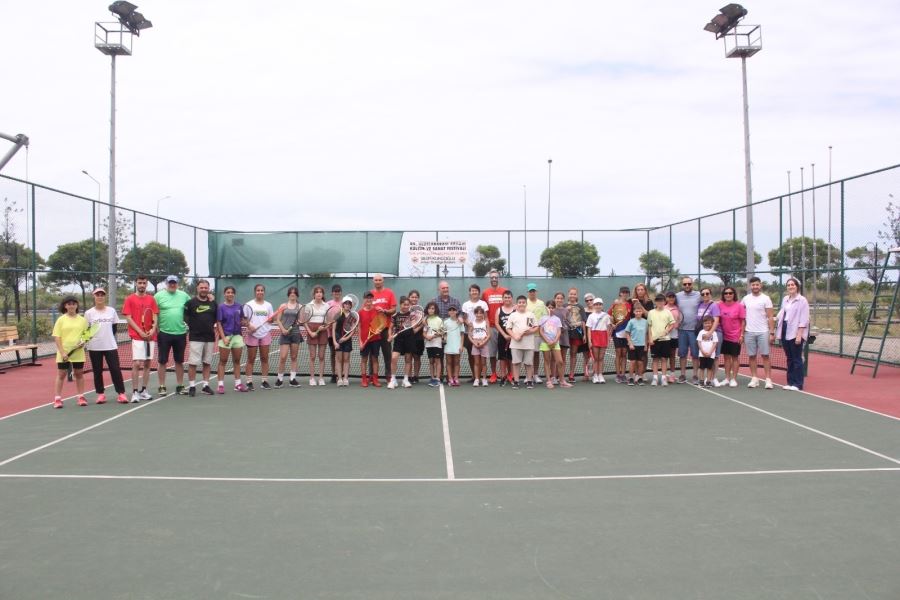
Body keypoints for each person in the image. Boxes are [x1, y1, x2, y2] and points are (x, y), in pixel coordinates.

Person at [121, 274, 157, 402]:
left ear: (147, 284)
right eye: (140, 283)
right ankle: (135, 392)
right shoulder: (129, 299)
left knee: (147, 363)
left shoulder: (151, 299)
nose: (142, 285)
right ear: (136, 283)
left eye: (144, 283)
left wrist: (152, 329)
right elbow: (128, 318)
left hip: (150, 337)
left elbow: (155, 315)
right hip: (137, 337)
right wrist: (140, 332)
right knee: (137, 363)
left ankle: (144, 390)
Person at [154, 275, 191, 396]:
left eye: (174, 283)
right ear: (166, 283)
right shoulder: (158, 296)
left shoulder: (184, 295)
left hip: (180, 333)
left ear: (177, 284)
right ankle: (162, 386)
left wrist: (210, 297)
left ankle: (180, 386)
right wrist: (157, 328)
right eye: (170, 282)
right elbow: (153, 313)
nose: (172, 284)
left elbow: (193, 307)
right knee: (162, 361)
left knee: (179, 361)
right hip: (164, 334)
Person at [51, 296, 89, 408]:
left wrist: (83, 342)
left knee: (79, 374)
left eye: (73, 303)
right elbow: (57, 337)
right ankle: (57, 399)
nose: (71, 306)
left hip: (78, 352)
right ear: (65, 306)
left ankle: (81, 397)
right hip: (64, 352)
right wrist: (63, 352)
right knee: (61, 374)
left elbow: (86, 335)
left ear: (76, 306)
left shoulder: (82, 320)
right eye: (69, 304)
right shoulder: (61, 320)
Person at [775, 277, 810, 391]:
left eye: (793, 285)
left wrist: (799, 335)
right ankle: (790, 382)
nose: (790, 287)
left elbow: (804, 319)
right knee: (789, 358)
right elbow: (781, 313)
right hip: (785, 329)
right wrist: (773, 319)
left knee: (796, 359)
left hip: (796, 331)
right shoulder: (785, 299)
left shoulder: (802, 300)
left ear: (797, 287)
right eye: (789, 285)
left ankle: (798, 384)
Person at [184, 279, 218, 396]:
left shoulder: (213, 303)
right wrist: (192, 326)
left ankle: (205, 385)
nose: (204, 289)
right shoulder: (190, 303)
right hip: (195, 337)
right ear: (197, 289)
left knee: (207, 363)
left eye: (205, 288)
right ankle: (192, 386)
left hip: (209, 337)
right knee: (193, 363)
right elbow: (185, 317)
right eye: (201, 287)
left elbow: (215, 318)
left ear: (208, 289)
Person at [742, 276, 775, 389]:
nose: (755, 286)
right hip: (749, 332)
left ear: (760, 285)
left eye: (757, 284)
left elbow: (770, 316)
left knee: (765, 356)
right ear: (750, 286)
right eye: (753, 285)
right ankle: (754, 378)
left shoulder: (766, 298)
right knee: (752, 356)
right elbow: (740, 314)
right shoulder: (745, 299)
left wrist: (771, 332)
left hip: (763, 332)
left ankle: (768, 380)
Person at [243, 283, 275, 391]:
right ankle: (249, 382)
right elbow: (244, 319)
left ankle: (264, 381)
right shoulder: (248, 305)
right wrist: (249, 325)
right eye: (258, 290)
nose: (260, 292)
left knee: (265, 358)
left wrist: (271, 320)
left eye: (262, 290)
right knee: (250, 359)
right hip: (253, 335)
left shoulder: (268, 305)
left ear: (264, 292)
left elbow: (271, 319)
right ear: (255, 292)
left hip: (265, 333)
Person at [215, 286, 246, 393]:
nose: (230, 294)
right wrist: (223, 338)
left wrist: (244, 322)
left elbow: (242, 320)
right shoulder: (221, 307)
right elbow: (219, 323)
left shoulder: (239, 306)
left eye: (232, 292)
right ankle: (220, 385)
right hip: (226, 337)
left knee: (237, 361)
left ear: (234, 294)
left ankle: (238, 384)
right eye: (228, 292)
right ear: (224, 294)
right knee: (223, 361)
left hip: (237, 337)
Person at [480, 270, 508, 383]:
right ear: (490, 279)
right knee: (492, 353)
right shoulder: (485, 293)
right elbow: (482, 310)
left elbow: (509, 305)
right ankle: (493, 374)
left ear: (499, 278)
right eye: (492, 277)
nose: (494, 279)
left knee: (504, 353)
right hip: (491, 327)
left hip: (504, 328)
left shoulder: (505, 291)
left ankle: (505, 374)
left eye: (496, 277)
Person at [506, 295, 538, 389]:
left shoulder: (530, 314)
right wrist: (515, 336)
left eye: (523, 302)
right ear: (517, 304)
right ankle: (516, 381)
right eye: (520, 302)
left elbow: (535, 327)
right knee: (516, 363)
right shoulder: (513, 315)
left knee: (528, 363)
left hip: (529, 344)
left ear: (526, 304)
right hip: (516, 344)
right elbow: (508, 328)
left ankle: (529, 381)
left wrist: (530, 331)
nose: (521, 304)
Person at [370, 273, 397, 383]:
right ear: (373, 281)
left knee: (387, 354)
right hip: (374, 329)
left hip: (385, 329)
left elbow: (394, 310)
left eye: (379, 280)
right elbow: (367, 308)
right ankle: (372, 375)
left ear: (383, 281)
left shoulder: (389, 293)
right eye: (376, 280)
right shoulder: (370, 294)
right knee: (373, 354)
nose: (378, 282)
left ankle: (389, 375)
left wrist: (385, 311)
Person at [675, 276, 702, 384]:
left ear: (692, 284)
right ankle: (682, 375)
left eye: (689, 284)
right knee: (682, 354)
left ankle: (695, 375)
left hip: (694, 330)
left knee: (695, 354)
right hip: (681, 330)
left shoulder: (699, 295)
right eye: (685, 284)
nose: (687, 286)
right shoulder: (678, 296)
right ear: (682, 285)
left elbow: (708, 302)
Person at [275, 287, 303, 388]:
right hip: (284, 334)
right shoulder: (283, 305)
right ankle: (279, 379)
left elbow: (301, 320)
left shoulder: (300, 306)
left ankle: (292, 379)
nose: (292, 294)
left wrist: (300, 321)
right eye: (291, 293)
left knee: (294, 357)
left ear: (296, 295)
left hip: (295, 333)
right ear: (288, 294)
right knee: (283, 357)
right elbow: (278, 319)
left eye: (294, 293)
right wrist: (283, 329)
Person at [717, 286, 746, 388]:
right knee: (726, 358)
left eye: (730, 293)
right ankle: (727, 378)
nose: (728, 295)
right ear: (723, 295)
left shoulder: (739, 306)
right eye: (726, 293)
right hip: (724, 336)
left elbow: (743, 322)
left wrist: (742, 335)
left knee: (734, 357)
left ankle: (734, 379)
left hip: (735, 336)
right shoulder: (720, 305)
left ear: (734, 294)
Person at [387, 296, 416, 389]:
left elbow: (414, 327)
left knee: (408, 359)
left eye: (408, 305)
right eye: (404, 304)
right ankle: (393, 380)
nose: (406, 306)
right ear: (400, 305)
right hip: (398, 340)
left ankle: (406, 379)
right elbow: (390, 327)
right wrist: (390, 336)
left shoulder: (412, 315)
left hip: (409, 339)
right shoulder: (395, 316)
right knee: (394, 358)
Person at [539, 300, 569, 389]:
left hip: (555, 343)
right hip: (545, 343)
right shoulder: (543, 318)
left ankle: (562, 381)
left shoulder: (557, 319)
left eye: (552, 307)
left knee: (559, 361)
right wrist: (547, 340)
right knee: (547, 362)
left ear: (554, 308)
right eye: (549, 307)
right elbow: (541, 331)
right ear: (546, 308)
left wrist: (555, 340)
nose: (550, 309)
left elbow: (559, 331)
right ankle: (548, 381)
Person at [647, 294, 676, 387]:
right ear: (655, 302)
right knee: (655, 359)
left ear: (664, 302)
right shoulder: (651, 312)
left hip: (665, 340)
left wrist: (667, 330)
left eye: (662, 301)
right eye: (658, 301)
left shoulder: (668, 312)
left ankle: (663, 378)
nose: (660, 302)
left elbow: (672, 324)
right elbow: (649, 326)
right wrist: (650, 338)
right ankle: (655, 378)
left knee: (664, 359)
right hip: (654, 340)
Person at [461, 284, 488, 382]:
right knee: (471, 356)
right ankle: (474, 376)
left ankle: (481, 377)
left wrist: (486, 330)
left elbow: (486, 318)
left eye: (476, 290)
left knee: (482, 357)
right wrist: (469, 324)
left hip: (482, 335)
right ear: (470, 292)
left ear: (479, 292)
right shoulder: (465, 304)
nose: (474, 292)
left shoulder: (483, 304)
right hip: (469, 334)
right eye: (472, 290)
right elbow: (464, 318)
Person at [304, 285, 330, 386]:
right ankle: (312, 378)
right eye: (317, 292)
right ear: (314, 294)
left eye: (320, 292)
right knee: (312, 356)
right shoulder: (308, 306)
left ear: (322, 294)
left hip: (322, 330)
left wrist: (324, 327)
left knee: (321, 356)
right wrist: (310, 332)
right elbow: (304, 320)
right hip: (311, 329)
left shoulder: (326, 306)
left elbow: (329, 320)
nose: (319, 294)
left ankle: (321, 378)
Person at [696, 287, 722, 384]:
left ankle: (713, 378)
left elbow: (716, 320)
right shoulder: (700, 305)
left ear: (710, 294)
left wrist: (710, 332)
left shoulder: (714, 305)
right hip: (703, 333)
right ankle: (703, 379)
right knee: (703, 357)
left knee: (715, 356)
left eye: (707, 293)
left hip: (714, 332)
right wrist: (704, 333)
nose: (705, 295)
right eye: (703, 294)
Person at [358, 292, 382, 387]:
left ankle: (375, 379)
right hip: (364, 340)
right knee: (364, 359)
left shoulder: (377, 310)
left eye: (370, 298)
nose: (369, 300)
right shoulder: (360, 312)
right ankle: (364, 379)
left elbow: (381, 323)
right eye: (367, 298)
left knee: (375, 359)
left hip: (375, 339)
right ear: (364, 299)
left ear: (373, 299)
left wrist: (379, 329)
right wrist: (360, 341)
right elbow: (359, 327)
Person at [331, 295, 356, 387]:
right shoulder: (338, 314)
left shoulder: (353, 316)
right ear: (343, 304)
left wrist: (346, 338)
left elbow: (353, 330)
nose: (347, 305)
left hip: (347, 340)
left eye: (349, 303)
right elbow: (333, 329)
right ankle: (339, 378)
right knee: (338, 359)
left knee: (346, 359)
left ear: (351, 305)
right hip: (338, 339)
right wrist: (334, 341)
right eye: (346, 303)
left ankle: (345, 378)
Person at [609, 286, 632, 384]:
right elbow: (610, 315)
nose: (625, 293)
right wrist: (612, 324)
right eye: (623, 292)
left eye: (627, 292)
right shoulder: (615, 304)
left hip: (626, 332)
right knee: (618, 353)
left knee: (624, 354)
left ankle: (623, 374)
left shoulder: (630, 304)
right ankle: (618, 375)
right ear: (620, 293)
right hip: (617, 332)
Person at [585, 297, 611, 384]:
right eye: (596, 304)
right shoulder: (591, 316)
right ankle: (595, 375)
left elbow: (608, 328)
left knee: (601, 358)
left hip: (603, 337)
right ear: (594, 305)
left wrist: (608, 339)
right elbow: (589, 329)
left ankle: (600, 374)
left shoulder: (606, 316)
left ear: (602, 305)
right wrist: (589, 341)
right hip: (594, 336)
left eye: (600, 304)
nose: (598, 306)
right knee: (596, 358)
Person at [565, 288, 589, 382]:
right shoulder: (564, 305)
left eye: (574, 294)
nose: (572, 296)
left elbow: (583, 321)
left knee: (573, 353)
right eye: (571, 294)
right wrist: (567, 310)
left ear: (577, 296)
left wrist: (584, 335)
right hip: (565, 332)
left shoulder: (580, 307)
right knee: (562, 355)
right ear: (568, 295)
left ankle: (571, 374)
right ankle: (559, 375)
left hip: (576, 332)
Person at [525, 283, 547, 383]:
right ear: (528, 292)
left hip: (538, 334)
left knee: (536, 354)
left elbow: (544, 317)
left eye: (533, 291)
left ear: (536, 292)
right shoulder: (524, 303)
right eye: (530, 291)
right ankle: (527, 376)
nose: (532, 293)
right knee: (527, 355)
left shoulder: (541, 303)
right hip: (528, 334)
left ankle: (536, 375)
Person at [495, 291, 516, 386]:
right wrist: (504, 335)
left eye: (509, 297)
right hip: (502, 337)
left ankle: (511, 375)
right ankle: (503, 376)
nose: (507, 299)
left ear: (512, 298)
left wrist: (512, 335)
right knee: (502, 358)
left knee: (512, 358)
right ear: (503, 299)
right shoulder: (499, 310)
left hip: (514, 337)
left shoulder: (516, 309)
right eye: (505, 297)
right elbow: (496, 323)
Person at [550, 292, 571, 386]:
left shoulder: (566, 311)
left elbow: (569, 323)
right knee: (553, 358)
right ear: (555, 299)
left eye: (561, 298)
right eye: (557, 298)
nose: (559, 300)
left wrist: (562, 329)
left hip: (564, 337)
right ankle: (553, 377)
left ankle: (560, 377)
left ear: (563, 300)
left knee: (562, 359)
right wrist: (555, 332)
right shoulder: (551, 310)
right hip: (554, 338)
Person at [624, 304, 649, 385]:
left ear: (642, 312)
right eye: (636, 311)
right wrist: (630, 344)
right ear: (634, 312)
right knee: (632, 362)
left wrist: (645, 345)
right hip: (633, 346)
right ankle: (631, 377)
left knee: (640, 363)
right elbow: (627, 333)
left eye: (640, 311)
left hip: (642, 346)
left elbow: (646, 334)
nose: (638, 313)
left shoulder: (645, 322)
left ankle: (639, 377)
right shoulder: (631, 321)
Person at [422, 301, 444, 387]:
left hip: (437, 344)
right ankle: (432, 377)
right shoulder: (426, 320)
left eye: (433, 308)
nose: (431, 310)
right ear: (427, 310)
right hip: (428, 344)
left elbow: (442, 332)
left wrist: (433, 336)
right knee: (431, 361)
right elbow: (424, 332)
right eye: (429, 308)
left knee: (437, 361)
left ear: (435, 310)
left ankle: (437, 378)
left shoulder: (439, 320)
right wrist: (427, 337)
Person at [469, 306, 491, 387]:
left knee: (484, 363)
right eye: (477, 313)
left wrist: (483, 342)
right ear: (475, 314)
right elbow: (469, 335)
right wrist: (474, 342)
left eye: (481, 313)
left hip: (484, 344)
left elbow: (489, 335)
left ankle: (484, 379)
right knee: (476, 363)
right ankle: (477, 379)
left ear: (483, 314)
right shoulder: (472, 323)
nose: (479, 315)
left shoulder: (486, 322)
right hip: (475, 344)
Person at [407, 289, 425, 383]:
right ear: (409, 297)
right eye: (412, 297)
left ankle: (416, 376)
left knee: (417, 357)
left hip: (419, 337)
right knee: (408, 357)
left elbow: (423, 322)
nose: (414, 298)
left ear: (418, 298)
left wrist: (421, 324)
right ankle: (409, 376)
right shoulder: (406, 309)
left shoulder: (421, 310)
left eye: (416, 297)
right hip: (408, 336)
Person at [327, 284, 344, 384]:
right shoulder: (328, 304)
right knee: (333, 353)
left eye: (338, 292)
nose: (336, 294)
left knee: (342, 355)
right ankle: (334, 374)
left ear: (341, 293)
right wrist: (329, 324)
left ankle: (341, 374)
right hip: (331, 333)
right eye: (335, 292)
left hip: (342, 333)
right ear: (332, 293)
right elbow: (326, 317)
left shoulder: (344, 303)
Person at [697, 315, 719, 387]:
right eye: (705, 323)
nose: (707, 325)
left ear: (712, 323)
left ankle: (708, 381)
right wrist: (702, 351)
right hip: (702, 354)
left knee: (709, 368)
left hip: (711, 355)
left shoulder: (714, 333)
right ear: (703, 324)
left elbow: (715, 343)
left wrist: (710, 352)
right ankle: (701, 381)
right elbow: (699, 342)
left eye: (709, 323)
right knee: (702, 368)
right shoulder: (701, 332)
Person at [664, 291, 681, 384]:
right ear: (666, 298)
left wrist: (677, 325)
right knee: (664, 356)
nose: (671, 299)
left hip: (674, 335)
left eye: (673, 297)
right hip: (664, 335)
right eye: (669, 297)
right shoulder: (663, 308)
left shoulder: (677, 308)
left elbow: (679, 320)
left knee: (672, 355)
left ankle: (672, 375)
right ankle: (664, 375)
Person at [443, 306, 463, 386]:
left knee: (457, 362)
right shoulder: (446, 322)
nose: (452, 311)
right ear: (448, 312)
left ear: (456, 312)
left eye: (453, 310)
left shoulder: (460, 322)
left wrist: (461, 345)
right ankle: (450, 379)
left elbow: (462, 334)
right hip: (448, 345)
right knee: (449, 362)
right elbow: (444, 333)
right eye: (450, 310)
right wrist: (444, 338)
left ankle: (456, 378)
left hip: (457, 345)